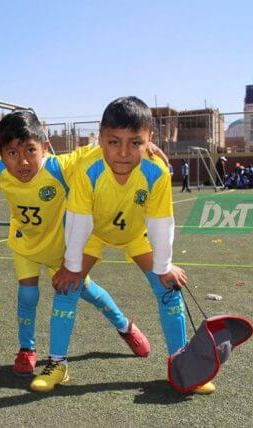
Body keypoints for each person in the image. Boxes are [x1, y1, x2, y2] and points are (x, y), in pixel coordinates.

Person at [53, 96, 215, 395]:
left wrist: (164, 267)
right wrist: (72, 266)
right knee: (68, 284)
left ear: (150, 140)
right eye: (114, 142)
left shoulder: (155, 171)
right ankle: (56, 363)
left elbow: (161, 221)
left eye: (136, 143)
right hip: (94, 233)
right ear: (100, 138)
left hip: (136, 234)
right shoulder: (86, 168)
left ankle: (182, 366)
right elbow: (78, 220)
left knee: (168, 288)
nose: (124, 152)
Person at [0, 111, 150, 385]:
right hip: (26, 246)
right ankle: (27, 349)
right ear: (0, 154)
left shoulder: (59, 168)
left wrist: (144, 146)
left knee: (88, 292)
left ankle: (124, 326)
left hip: (63, 250)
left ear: (44, 148)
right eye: (11, 152)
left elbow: (98, 151)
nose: (22, 161)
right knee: (27, 295)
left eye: (30, 150)